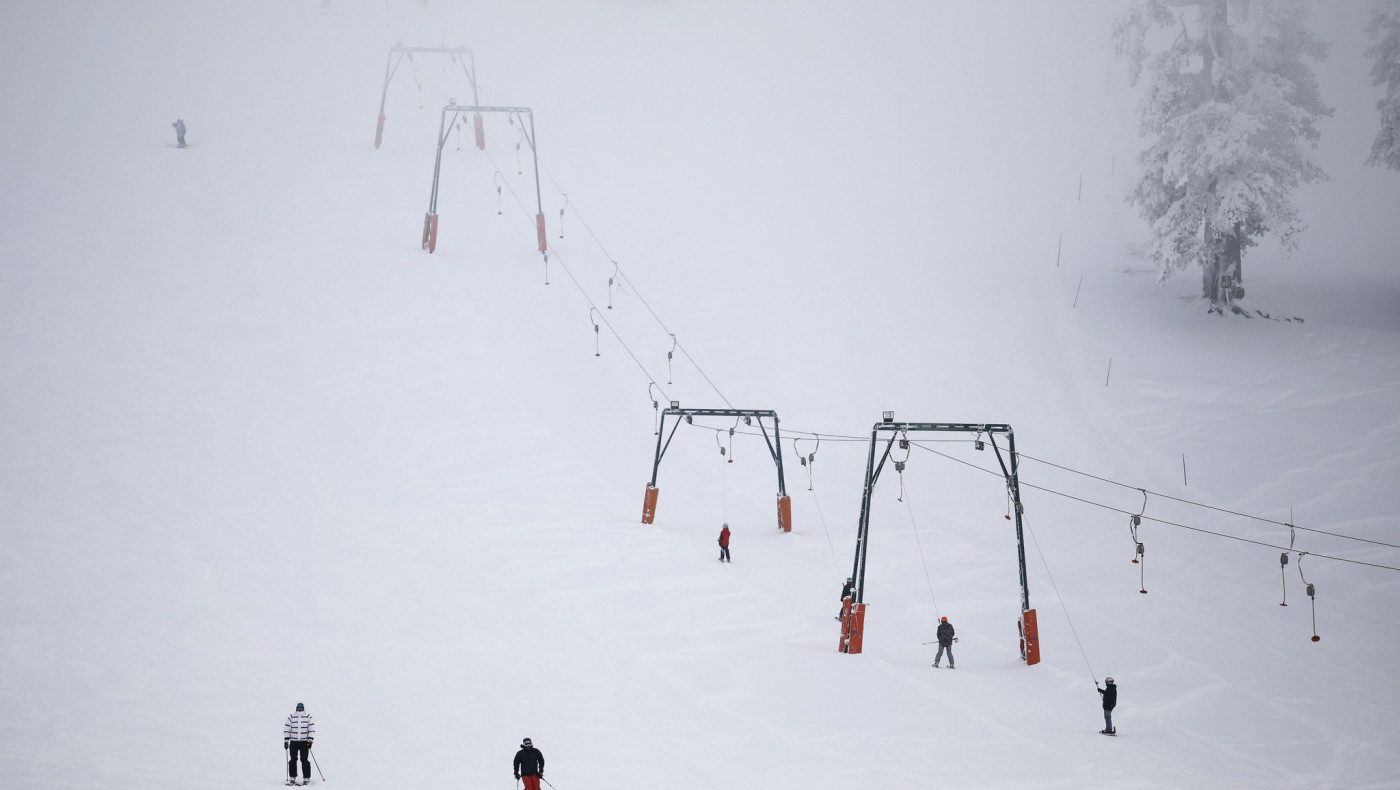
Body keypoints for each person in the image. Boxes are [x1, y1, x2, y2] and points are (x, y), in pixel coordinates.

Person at [284, 702, 315, 785]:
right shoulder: (291, 716)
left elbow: (311, 728)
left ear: (303, 708)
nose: (300, 710)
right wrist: (286, 740)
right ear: (296, 708)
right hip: (293, 741)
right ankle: (292, 776)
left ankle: (306, 777)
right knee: (293, 759)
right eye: (298, 708)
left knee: (304, 759)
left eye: (301, 708)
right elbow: (287, 728)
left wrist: (310, 740)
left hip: (304, 742)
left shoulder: (308, 716)